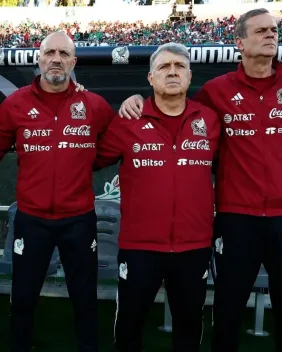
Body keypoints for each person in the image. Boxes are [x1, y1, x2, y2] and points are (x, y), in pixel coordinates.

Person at [119, 8, 282, 352]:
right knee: (227, 313)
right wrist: (133, 99)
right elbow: (169, 102)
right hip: (237, 220)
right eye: (261, 30)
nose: (271, 35)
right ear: (239, 42)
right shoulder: (214, 93)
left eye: (274, 29)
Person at [0, 31, 115, 352]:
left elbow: (117, 143)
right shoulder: (15, 104)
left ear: (74, 61)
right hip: (32, 220)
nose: (56, 59)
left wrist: (84, 162)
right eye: (50, 53)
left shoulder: (95, 105)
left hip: (79, 219)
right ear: (39, 58)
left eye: (63, 54)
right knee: (24, 297)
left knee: (84, 298)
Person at [95, 42, 220, 352]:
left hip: (194, 245)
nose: (172, 71)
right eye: (164, 67)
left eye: (179, 66)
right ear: (150, 78)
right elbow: (92, 158)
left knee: (189, 329)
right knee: (129, 327)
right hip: (139, 247)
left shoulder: (211, 120)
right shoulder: (129, 118)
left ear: (190, 76)